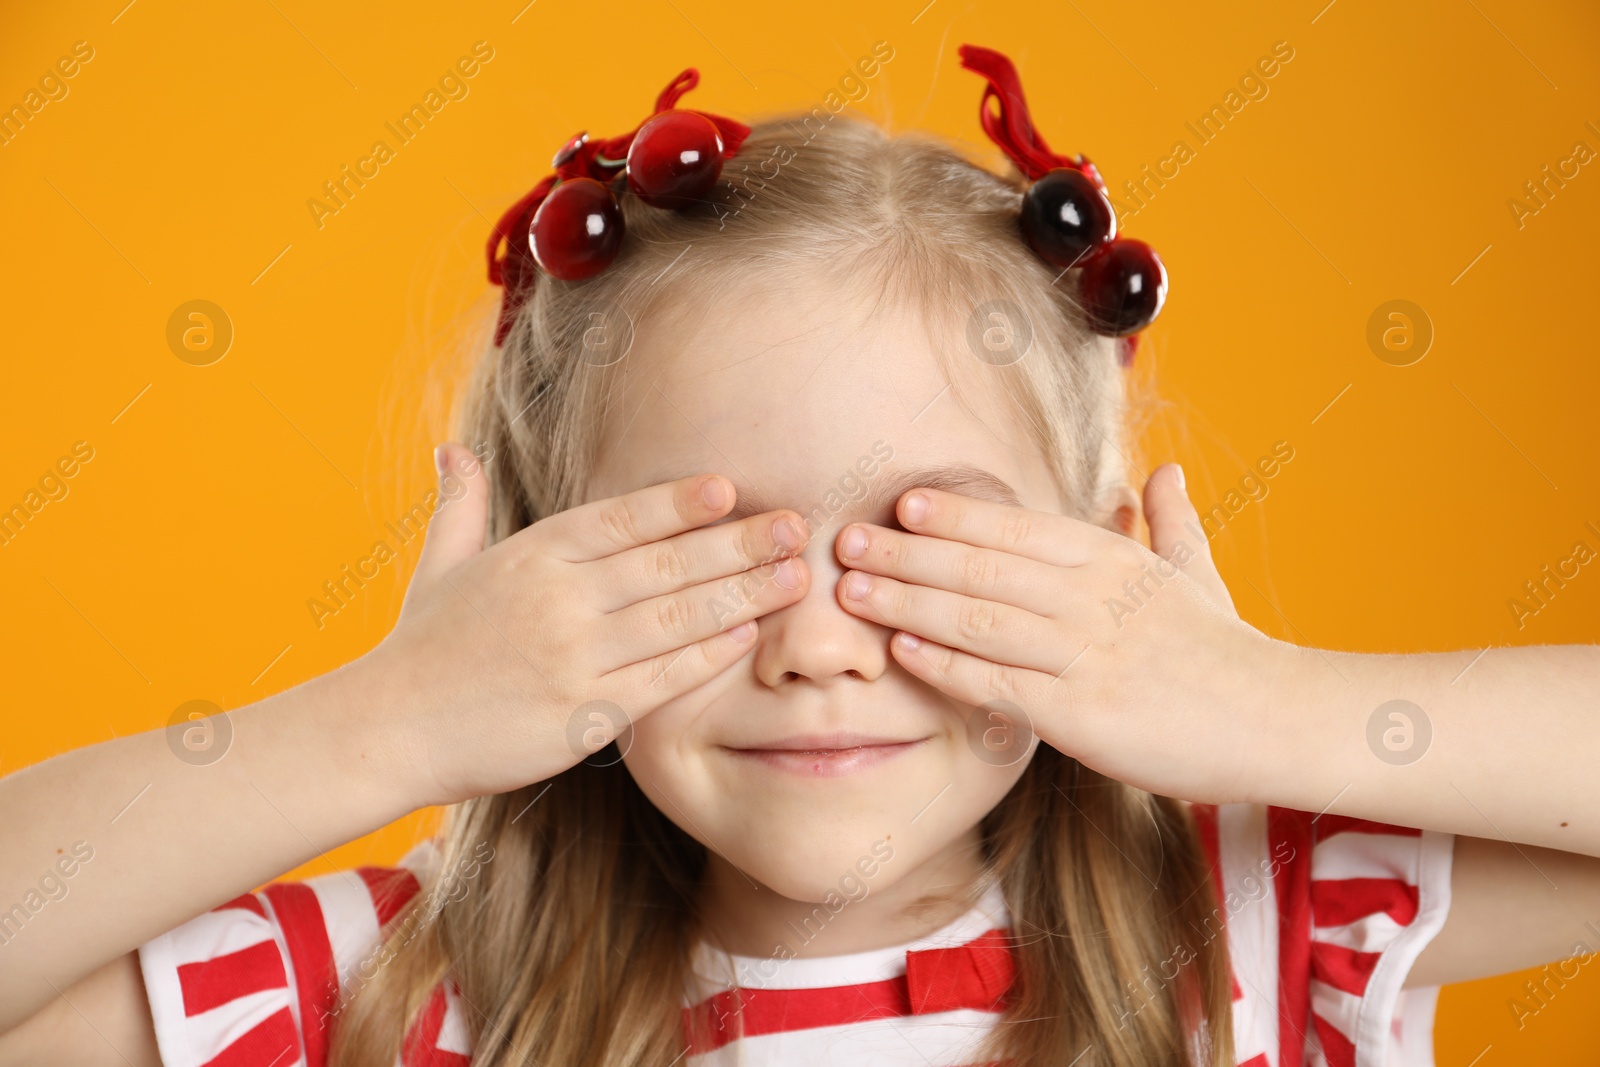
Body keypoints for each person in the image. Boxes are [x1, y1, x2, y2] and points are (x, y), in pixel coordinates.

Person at [3, 44, 1598, 1067]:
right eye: (714, 551)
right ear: (538, 589)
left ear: (1105, 573)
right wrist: (392, 724)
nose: (821, 648)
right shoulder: (390, 997)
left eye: (926, 541)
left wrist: (1264, 711)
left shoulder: (1259, 932)